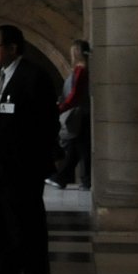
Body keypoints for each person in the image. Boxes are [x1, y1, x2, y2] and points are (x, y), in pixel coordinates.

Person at [0, 25, 59, 274]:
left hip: (23, 164)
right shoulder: (3, 76)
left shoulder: (32, 77)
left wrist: (35, 159)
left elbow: (46, 123)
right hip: (1, 161)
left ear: (12, 48)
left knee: (27, 216)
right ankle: (8, 268)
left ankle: (34, 269)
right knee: (6, 217)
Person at [50, 39, 91, 189]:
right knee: (79, 147)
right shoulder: (82, 70)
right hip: (81, 113)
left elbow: (75, 95)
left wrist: (61, 108)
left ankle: (66, 177)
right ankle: (75, 178)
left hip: (80, 114)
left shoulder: (81, 71)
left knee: (79, 147)